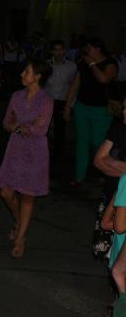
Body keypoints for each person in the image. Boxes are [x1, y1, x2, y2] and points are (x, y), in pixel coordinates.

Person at [0, 59, 53, 258]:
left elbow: (41, 129)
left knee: (28, 195)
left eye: (27, 72)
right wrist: (25, 125)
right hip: (15, 149)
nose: (22, 75)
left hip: (35, 152)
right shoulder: (17, 96)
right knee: (6, 192)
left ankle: (20, 238)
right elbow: (6, 123)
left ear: (37, 76)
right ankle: (20, 224)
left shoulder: (46, 101)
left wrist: (19, 125)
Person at [64, 37, 118, 186]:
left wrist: (93, 65)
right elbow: (75, 85)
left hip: (101, 111)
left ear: (97, 49)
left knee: (97, 143)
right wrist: (68, 106)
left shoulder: (110, 63)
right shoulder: (83, 63)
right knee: (81, 143)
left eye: (88, 48)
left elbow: (104, 79)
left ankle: (101, 171)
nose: (86, 51)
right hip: (82, 107)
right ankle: (79, 176)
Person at [97, 98, 126, 298]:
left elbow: (118, 225)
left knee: (118, 269)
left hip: (121, 200)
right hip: (116, 196)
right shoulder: (119, 130)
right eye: (125, 107)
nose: (125, 111)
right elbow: (99, 160)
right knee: (113, 261)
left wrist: (114, 164)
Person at [45, 40, 77, 162]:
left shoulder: (71, 66)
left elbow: (74, 86)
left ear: (64, 50)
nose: (58, 52)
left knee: (60, 130)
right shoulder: (47, 65)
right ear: (52, 51)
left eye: (61, 49)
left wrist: (71, 105)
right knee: (44, 128)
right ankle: (44, 152)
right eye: (56, 49)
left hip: (63, 101)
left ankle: (57, 156)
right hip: (48, 101)